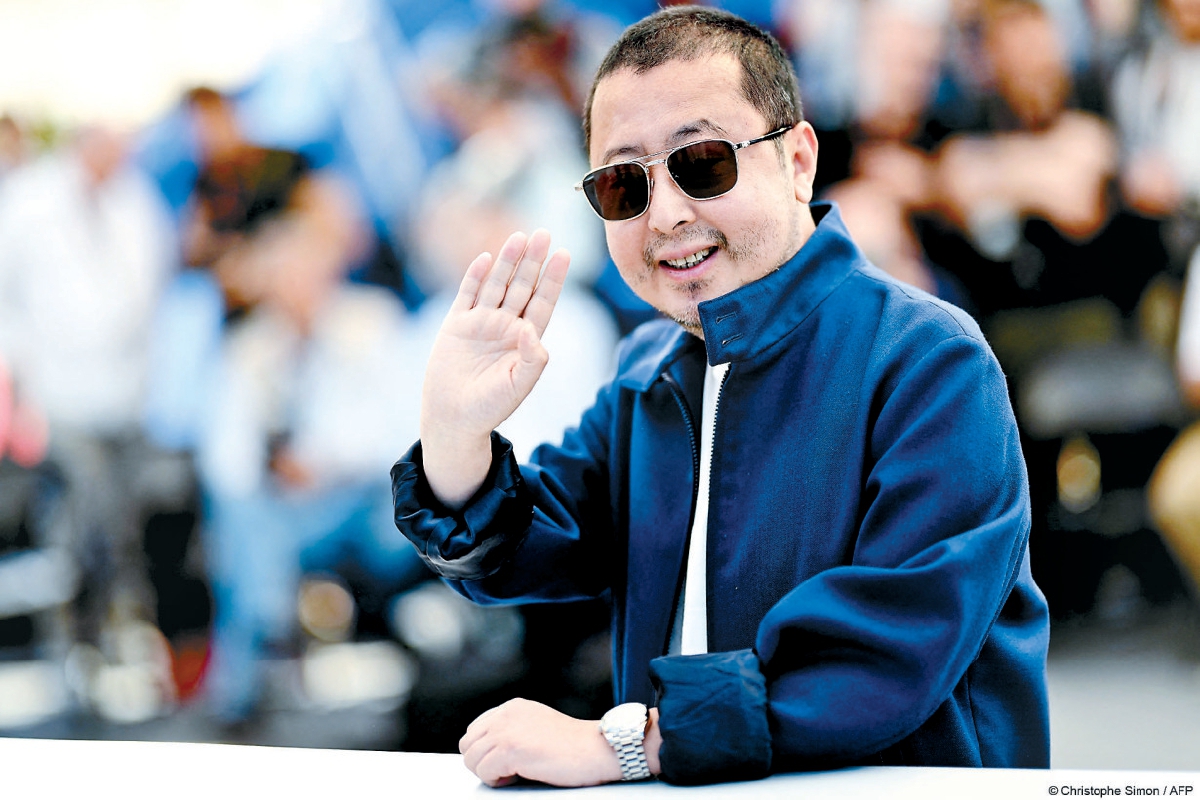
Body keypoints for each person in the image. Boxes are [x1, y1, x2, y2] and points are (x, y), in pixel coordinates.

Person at [391, 6, 1049, 787]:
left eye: (702, 162)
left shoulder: (928, 361)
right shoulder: (650, 370)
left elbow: (884, 655)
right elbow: (525, 550)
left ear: (798, 161)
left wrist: (628, 744)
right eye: (623, 184)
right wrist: (454, 433)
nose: (666, 213)